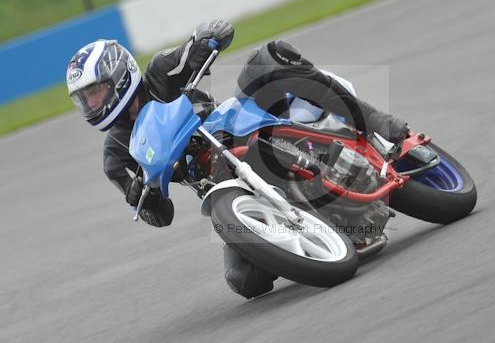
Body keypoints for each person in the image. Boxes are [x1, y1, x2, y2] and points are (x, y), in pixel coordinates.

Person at [66, 19, 408, 299]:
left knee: (269, 57)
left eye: (95, 93)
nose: (92, 105)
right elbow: (161, 216)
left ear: (120, 76)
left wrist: (206, 38)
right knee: (244, 280)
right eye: (84, 100)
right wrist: (143, 197)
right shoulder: (115, 157)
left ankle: (374, 120)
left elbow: (201, 45)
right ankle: (332, 235)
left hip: (239, 126)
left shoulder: (161, 72)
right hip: (220, 184)